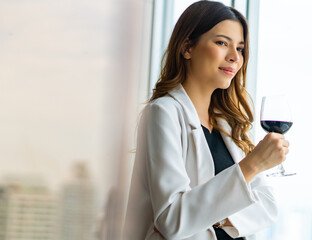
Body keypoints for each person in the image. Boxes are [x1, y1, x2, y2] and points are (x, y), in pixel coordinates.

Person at [123, 1, 289, 240]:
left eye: (240, 48)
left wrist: (211, 216)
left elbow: (268, 207)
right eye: (222, 43)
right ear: (187, 47)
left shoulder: (229, 125)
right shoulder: (163, 113)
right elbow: (172, 219)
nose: (235, 57)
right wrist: (251, 166)